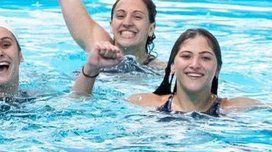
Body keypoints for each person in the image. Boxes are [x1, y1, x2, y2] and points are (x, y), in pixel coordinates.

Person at [73, 28, 264, 115]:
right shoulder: (143, 103)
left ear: (217, 68)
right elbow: (79, 104)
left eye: (205, 58)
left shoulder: (234, 108)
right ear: (172, 65)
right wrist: (91, 68)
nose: (195, 64)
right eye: (186, 56)